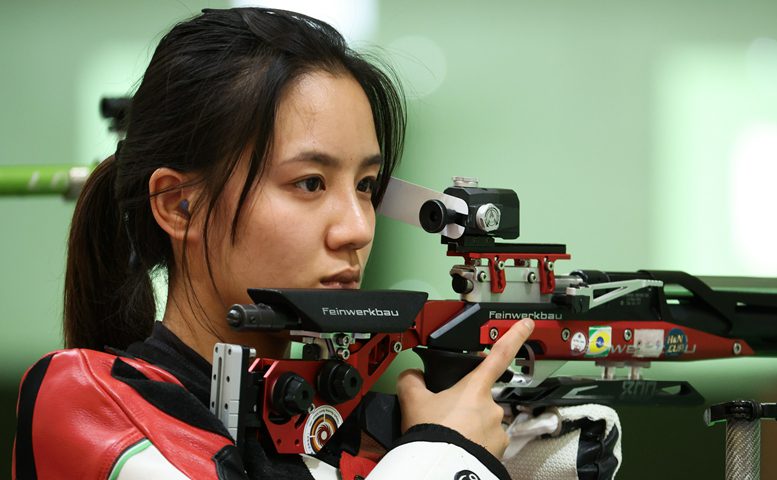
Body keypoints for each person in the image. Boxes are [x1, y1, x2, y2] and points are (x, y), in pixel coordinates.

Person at [12, 7, 540, 480]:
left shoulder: (350, 433)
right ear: (178, 205)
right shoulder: (84, 404)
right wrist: (447, 453)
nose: (358, 228)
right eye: (310, 183)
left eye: (366, 186)